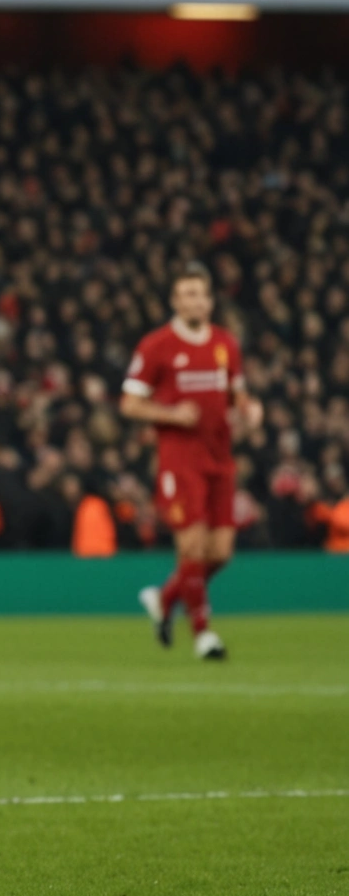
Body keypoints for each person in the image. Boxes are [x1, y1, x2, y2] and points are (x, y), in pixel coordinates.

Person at [120, 262, 258, 661]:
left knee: (220, 552)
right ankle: (203, 634)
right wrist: (171, 415)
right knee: (192, 545)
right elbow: (129, 403)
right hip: (180, 462)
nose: (196, 301)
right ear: (175, 301)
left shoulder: (225, 344)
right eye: (188, 294)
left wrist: (250, 410)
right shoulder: (156, 345)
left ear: (211, 301)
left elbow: (238, 394)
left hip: (220, 459)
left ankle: (165, 600)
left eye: (202, 294)